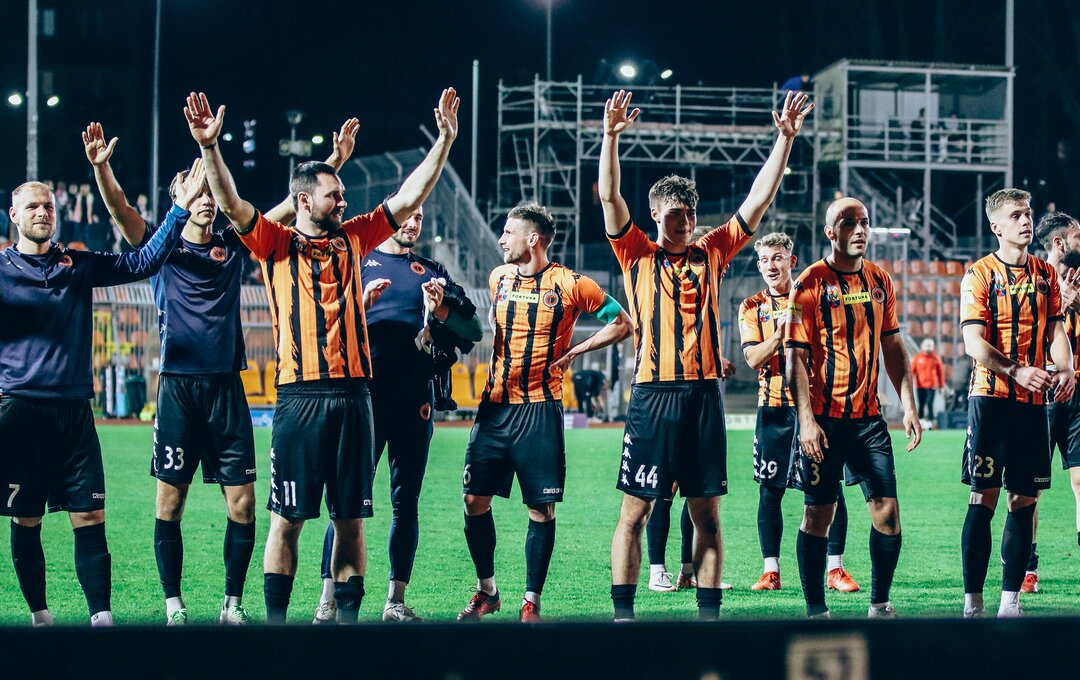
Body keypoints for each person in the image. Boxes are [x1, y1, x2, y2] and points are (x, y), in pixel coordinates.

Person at [186, 88, 459, 623]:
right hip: (300, 397)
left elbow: (409, 196)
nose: (344, 202)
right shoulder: (274, 242)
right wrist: (209, 148)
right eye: (335, 195)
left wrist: (445, 140)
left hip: (356, 396)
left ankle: (347, 629)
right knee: (287, 520)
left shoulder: (354, 239)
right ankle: (277, 627)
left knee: (350, 520)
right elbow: (233, 203)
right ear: (305, 202)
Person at [83, 118, 359, 625]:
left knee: (244, 506)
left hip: (227, 387)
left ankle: (232, 605)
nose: (206, 198)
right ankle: (174, 604)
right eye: (195, 191)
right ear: (178, 199)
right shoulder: (160, 247)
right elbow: (120, 208)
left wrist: (334, 162)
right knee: (170, 502)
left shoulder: (233, 244)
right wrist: (102, 169)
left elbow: (290, 206)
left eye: (210, 190)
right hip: (177, 388)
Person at [600, 88, 813, 620]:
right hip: (652, 395)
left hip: (703, 397)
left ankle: (708, 619)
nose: (686, 220)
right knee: (635, 512)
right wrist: (609, 138)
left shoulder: (712, 250)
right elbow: (609, 198)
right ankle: (623, 617)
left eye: (691, 211)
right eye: (676, 212)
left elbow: (757, 202)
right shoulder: (635, 252)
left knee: (708, 515)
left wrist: (784, 141)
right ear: (655, 214)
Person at [1, 170, 202, 626]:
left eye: (48, 206)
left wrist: (180, 209)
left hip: (74, 413)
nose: (42, 212)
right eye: (32, 206)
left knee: (90, 514)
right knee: (27, 518)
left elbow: (143, 262)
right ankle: (40, 617)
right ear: (14, 215)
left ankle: (101, 620)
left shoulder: (77, 264)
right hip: (20, 412)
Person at [457, 202, 633, 622]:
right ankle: (488, 591)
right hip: (494, 408)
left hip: (539, 410)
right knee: (473, 500)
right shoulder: (498, 277)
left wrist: (576, 350)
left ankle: (530, 602)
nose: (501, 239)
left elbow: (622, 322)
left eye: (508, 232)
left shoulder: (570, 283)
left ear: (533, 238)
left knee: (540, 509)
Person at [311, 197, 482, 624]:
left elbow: (473, 330)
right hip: (364, 400)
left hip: (416, 401)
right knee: (347, 504)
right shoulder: (358, 261)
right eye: (408, 215)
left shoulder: (432, 271)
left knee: (407, 503)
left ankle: (395, 600)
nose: (414, 223)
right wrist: (360, 305)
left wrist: (442, 309)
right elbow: (326, 326)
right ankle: (328, 599)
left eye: (420, 216)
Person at [786, 197, 922, 619]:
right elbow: (795, 359)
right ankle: (816, 612)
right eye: (849, 223)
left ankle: (879, 604)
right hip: (824, 421)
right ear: (831, 232)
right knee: (818, 515)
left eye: (864, 222)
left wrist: (909, 405)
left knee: (888, 514)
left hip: (869, 421)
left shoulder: (880, 281)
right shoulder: (807, 284)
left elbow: (894, 348)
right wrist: (806, 421)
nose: (860, 229)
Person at [959, 189, 1075, 618]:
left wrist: (1066, 368)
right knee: (983, 498)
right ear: (996, 226)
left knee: (1024, 500)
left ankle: (1011, 602)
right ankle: (973, 602)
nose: (1026, 221)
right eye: (1016, 215)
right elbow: (973, 342)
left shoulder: (1045, 274)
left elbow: (1056, 331)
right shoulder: (979, 274)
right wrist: (1017, 370)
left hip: (1032, 406)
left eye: (1027, 214)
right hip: (990, 399)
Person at [740, 232, 859, 593]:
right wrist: (780, 335)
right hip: (773, 409)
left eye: (777, 258)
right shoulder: (751, 306)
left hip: (813, 408)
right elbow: (752, 358)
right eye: (764, 260)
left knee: (828, 488)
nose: (770, 266)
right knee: (770, 491)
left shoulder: (813, 298)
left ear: (791, 262)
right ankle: (771, 571)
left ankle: (835, 569)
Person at [1013, 211, 1080, 596]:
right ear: (1059, 242)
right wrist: (1059, 306)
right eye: (1076, 235)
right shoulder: (1032, 278)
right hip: (1043, 390)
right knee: (1030, 487)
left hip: (1079, 390)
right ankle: (1028, 567)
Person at [912, 338, 945, 425]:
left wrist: (941, 386)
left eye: (930, 345)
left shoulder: (936, 358)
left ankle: (930, 421)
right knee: (921, 404)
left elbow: (940, 373)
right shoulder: (917, 358)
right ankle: (921, 421)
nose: (928, 347)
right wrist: (909, 384)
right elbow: (912, 371)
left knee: (929, 403)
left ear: (933, 347)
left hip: (932, 386)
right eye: (926, 345)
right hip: (920, 386)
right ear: (922, 346)